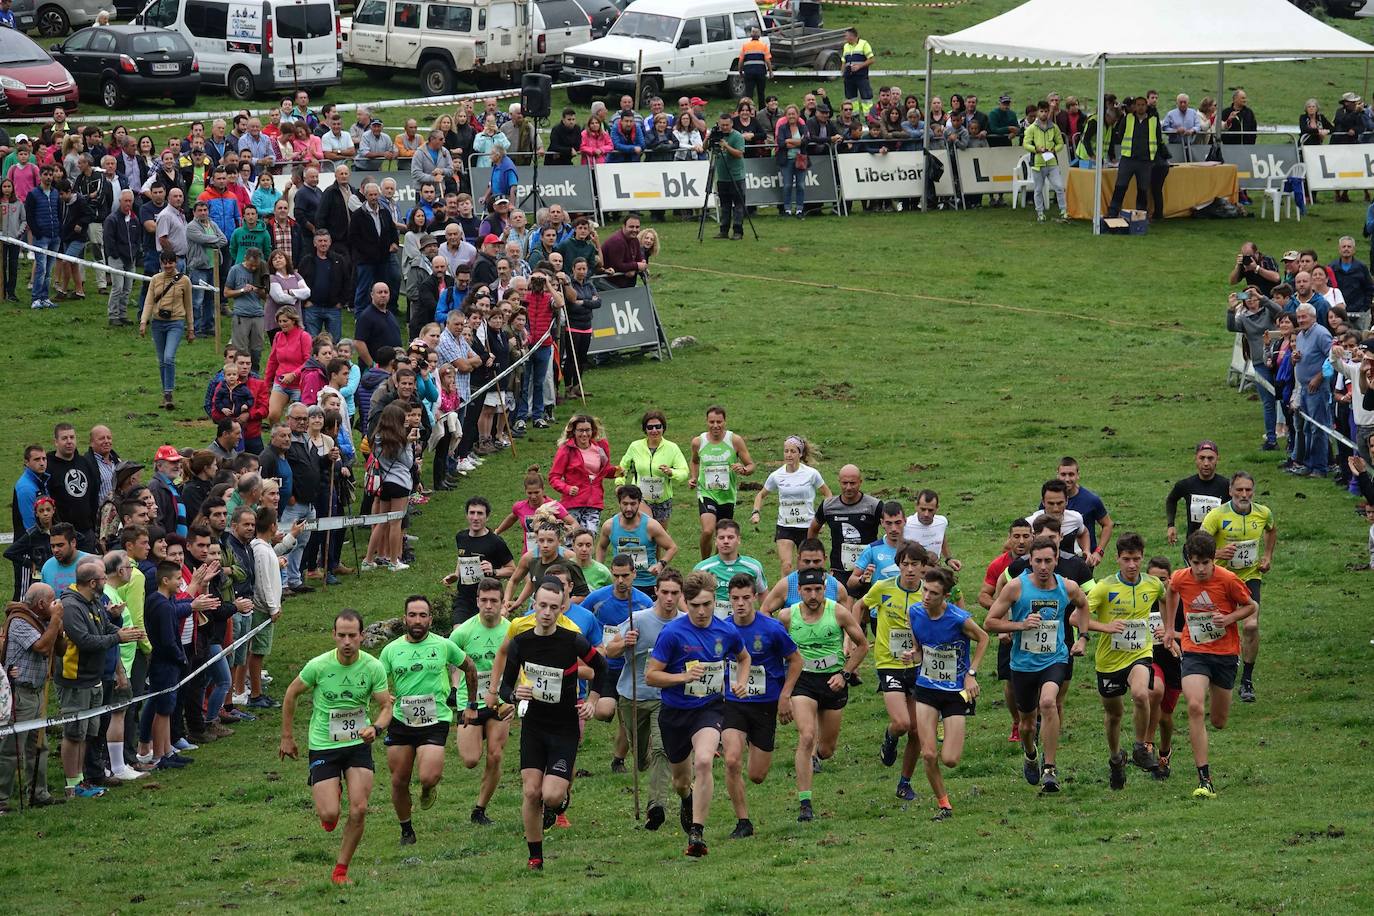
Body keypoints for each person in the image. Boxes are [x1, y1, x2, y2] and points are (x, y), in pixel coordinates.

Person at [490, 578, 605, 870]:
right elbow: (505, 688)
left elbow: (602, 668)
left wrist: (592, 700)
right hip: (534, 725)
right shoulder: (520, 642)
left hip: (565, 725)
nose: (546, 612)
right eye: (542, 605)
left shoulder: (572, 640)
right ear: (534, 605)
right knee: (531, 792)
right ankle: (535, 856)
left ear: (562, 608)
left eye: (554, 607)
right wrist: (515, 694)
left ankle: (560, 800)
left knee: (551, 795)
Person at [279, 609, 393, 885]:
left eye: (352, 636)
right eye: (341, 635)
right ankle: (333, 790)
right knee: (330, 814)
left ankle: (341, 870)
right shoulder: (318, 666)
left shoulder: (373, 666)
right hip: (324, 745)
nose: (347, 642)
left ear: (362, 636)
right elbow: (291, 693)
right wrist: (287, 736)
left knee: (359, 809)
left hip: (357, 745)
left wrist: (376, 728)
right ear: (333, 635)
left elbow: (386, 706)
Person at [646, 571, 750, 857]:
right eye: (695, 606)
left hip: (709, 708)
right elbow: (651, 676)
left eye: (707, 604)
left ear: (715, 600)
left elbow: (743, 657)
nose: (702, 611)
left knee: (704, 761)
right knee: (681, 781)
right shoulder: (672, 634)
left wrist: (739, 681)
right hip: (675, 713)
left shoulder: (726, 631)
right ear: (685, 602)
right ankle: (687, 798)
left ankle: (697, 833)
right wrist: (683, 677)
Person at [984, 536, 1089, 794]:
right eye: (1038, 561)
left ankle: (1050, 769)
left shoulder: (1068, 587)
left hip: (1055, 658)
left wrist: (1084, 638)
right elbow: (990, 622)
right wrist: (1019, 625)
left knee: (1048, 703)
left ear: (1056, 561)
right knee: (1028, 725)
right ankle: (1031, 753)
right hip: (1022, 663)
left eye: (1048, 561)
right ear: (1030, 561)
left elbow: (1084, 606)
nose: (1043, 566)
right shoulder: (1016, 588)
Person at [1162, 532, 1257, 799]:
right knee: (1194, 706)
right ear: (1189, 560)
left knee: (1218, 721)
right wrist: (1170, 628)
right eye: (1196, 563)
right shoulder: (1181, 577)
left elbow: (1250, 606)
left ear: (1214, 558)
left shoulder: (1227, 580)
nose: (1201, 569)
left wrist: (1228, 620)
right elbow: (1171, 592)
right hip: (1195, 651)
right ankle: (1205, 778)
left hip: (1225, 654)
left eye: (1205, 562)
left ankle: (1207, 771)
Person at [380, 595, 477, 845]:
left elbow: (470, 667)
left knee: (428, 776)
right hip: (402, 721)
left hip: (435, 719)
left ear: (431, 619)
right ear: (405, 618)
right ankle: (406, 830)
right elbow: (376, 681)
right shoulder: (391, 650)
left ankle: (426, 789)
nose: (417, 620)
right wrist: (383, 696)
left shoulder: (444, 645)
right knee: (399, 780)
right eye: (412, 615)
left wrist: (471, 704)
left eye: (423, 615)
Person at [778, 567, 868, 821]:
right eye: (807, 590)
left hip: (833, 682)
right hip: (802, 681)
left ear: (824, 589)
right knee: (806, 736)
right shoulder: (786, 616)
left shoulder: (838, 612)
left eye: (818, 589)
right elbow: (774, 648)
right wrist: (782, 692)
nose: (813, 595)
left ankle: (817, 754)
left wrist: (846, 674)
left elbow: (862, 646)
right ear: (799, 591)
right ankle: (805, 803)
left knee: (826, 749)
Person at [1078, 533, 1164, 790]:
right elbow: (1076, 617)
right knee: (1114, 715)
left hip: (1139, 653)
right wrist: (1105, 627)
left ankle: (1140, 747)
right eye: (1126, 559)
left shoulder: (1153, 584)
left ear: (1142, 558)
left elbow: (1168, 597)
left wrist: (1167, 629)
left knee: (1141, 694)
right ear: (1117, 559)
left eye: (1136, 559)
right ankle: (1116, 759)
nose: (1132, 565)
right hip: (1108, 661)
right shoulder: (1104, 587)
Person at [721, 572, 801, 838]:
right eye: (735, 599)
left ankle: (750, 741)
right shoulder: (722, 629)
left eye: (746, 598)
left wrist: (785, 696)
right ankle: (743, 822)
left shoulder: (772, 629)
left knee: (756, 775)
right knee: (732, 761)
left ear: (755, 597)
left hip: (765, 705)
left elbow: (796, 661)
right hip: (733, 703)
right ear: (729, 600)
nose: (741, 603)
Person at [906, 567, 988, 820]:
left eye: (934, 593)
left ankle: (948, 730)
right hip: (927, 688)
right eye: (925, 590)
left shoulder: (958, 618)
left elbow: (984, 638)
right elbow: (920, 648)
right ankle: (944, 805)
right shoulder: (915, 612)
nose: (927, 596)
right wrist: (914, 655)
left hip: (955, 693)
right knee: (928, 754)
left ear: (946, 596)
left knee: (950, 759)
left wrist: (971, 674)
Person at [58, 558, 144, 798]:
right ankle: (72, 784)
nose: (106, 581)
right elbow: (84, 641)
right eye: (103, 578)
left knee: (87, 732)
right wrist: (119, 638)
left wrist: (120, 628)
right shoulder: (72, 606)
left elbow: (105, 627)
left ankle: (82, 779)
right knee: (74, 732)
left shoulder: (93, 601)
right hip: (76, 678)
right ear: (93, 582)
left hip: (94, 677)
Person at [1198, 472, 1275, 705]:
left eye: (1248, 490)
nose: (1244, 495)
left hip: (1249, 577)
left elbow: (1271, 530)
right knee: (1217, 628)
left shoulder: (1263, 513)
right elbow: (1197, 546)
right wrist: (1217, 553)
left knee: (1250, 625)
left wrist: (1267, 556)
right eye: (1239, 490)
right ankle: (1212, 674)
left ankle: (1247, 681)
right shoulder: (1217, 515)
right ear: (1230, 491)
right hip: (1220, 579)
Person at [861, 542, 925, 799]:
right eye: (905, 564)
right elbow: (861, 606)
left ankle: (904, 783)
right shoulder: (883, 587)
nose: (909, 570)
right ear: (899, 565)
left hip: (919, 665)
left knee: (917, 730)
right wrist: (857, 636)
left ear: (923, 567)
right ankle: (890, 737)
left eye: (915, 564)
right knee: (901, 723)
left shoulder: (928, 593)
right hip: (889, 662)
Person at [448, 578, 514, 825]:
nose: (488, 605)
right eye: (484, 600)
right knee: (470, 760)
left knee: (495, 756)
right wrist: (454, 691)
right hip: (470, 703)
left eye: (493, 601)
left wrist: (513, 695)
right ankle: (478, 733)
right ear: (477, 601)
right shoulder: (462, 632)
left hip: (499, 702)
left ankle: (479, 809)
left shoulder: (511, 630)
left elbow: (520, 665)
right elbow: (450, 663)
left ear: (501, 603)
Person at [582, 554, 655, 771]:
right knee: (604, 712)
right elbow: (580, 620)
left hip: (632, 668)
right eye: (616, 576)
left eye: (625, 576)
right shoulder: (597, 598)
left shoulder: (644, 602)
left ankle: (618, 760)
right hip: (605, 667)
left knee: (627, 718)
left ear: (634, 574)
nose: (620, 581)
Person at [0, 584, 64, 811]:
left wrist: (57, 624)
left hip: (38, 691)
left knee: (39, 746)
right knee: (11, 748)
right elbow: (43, 646)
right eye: (52, 600)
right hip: (21, 694)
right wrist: (55, 620)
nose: (56, 604)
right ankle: (2, 799)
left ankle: (38, 793)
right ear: (41, 604)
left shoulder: (43, 619)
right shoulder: (19, 621)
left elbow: (60, 649)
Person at [752, 435, 830, 576]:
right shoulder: (777, 475)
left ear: (800, 453)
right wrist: (755, 512)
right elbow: (760, 495)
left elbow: (828, 494)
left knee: (807, 567)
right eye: (786, 451)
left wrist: (822, 519)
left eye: (793, 451)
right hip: (785, 526)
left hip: (807, 526)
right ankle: (786, 596)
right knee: (786, 565)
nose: (789, 455)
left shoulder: (811, 474)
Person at [689, 406, 755, 560]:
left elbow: (751, 465)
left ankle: (717, 564)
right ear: (707, 422)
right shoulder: (698, 442)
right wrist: (693, 477)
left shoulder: (734, 441)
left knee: (723, 534)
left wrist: (744, 469)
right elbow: (694, 461)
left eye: (719, 422)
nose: (715, 425)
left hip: (727, 495)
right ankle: (704, 564)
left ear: (725, 422)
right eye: (712, 422)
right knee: (708, 530)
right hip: (707, 492)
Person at [808, 463, 882, 590]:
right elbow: (813, 529)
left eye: (852, 483)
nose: (848, 487)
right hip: (839, 569)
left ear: (860, 482)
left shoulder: (874, 506)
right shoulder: (828, 506)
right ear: (839, 482)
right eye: (844, 483)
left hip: (868, 569)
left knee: (866, 607)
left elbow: (891, 527)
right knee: (842, 607)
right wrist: (814, 556)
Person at [596, 484, 677, 598]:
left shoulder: (651, 526)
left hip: (647, 583)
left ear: (639, 503)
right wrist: (600, 569)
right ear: (619, 503)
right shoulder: (609, 526)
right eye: (625, 504)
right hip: (620, 582)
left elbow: (672, 547)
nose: (629, 508)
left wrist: (660, 564)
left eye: (633, 504)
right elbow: (601, 547)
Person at [444, 496, 516, 625]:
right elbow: (462, 558)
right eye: (472, 513)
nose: (475, 517)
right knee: (458, 634)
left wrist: (494, 571)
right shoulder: (461, 537)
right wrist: (456, 575)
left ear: (487, 517)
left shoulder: (495, 542)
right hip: (464, 599)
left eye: (480, 513)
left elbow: (512, 570)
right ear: (467, 515)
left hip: (488, 600)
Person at [615, 410, 689, 524]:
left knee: (659, 536)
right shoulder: (635, 446)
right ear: (645, 429)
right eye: (650, 427)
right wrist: (619, 483)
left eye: (658, 426)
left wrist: (671, 472)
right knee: (646, 527)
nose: (654, 430)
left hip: (663, 500)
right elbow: (622, 467)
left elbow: (684, 472)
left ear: (663, 428)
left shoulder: (672, 448)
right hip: (640, 498)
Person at [1107, 95, 1168, 221]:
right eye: (1138, 105)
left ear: (1146, 106)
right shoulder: (1127, 118)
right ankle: (1112, 213)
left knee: (1143, 190)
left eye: (1143, 105)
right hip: (1128, 159)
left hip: (1145, 161)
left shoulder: (1153, 120)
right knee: (1120, 187)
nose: (1140, 107)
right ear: (1134, 106)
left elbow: (1158, 139)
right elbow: (1120, 134)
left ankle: (1140, 216)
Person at [549, 415, 616, 531]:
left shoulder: (600, 447)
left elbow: (604, 471)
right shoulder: (566, 449)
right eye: (580, 430)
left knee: (589, 539)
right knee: (571, 540)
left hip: (594, 502)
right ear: (573, 431)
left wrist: (618, 471)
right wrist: (567, 488)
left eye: (587, 430)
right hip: (573, 503)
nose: (584, 434)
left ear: (593, 430)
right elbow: (554, 477)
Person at [694, 520, 767, 619]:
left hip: (744, 622)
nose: (726, 541)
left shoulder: (753, 566)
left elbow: (762, 593)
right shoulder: (703, 568)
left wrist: (765, 617)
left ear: (739, 539)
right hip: (714, 624)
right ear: (716, 541)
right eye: (721, 538)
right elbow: (689, 595)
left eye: (730, 537)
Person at [1021, 101, 1068, 223]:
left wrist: (1054, 150)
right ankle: (1040, 213)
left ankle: (1064, 211)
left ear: (1049, 112)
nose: (1044, 114)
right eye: (1041, 111)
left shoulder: (1054, 127)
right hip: (1037, 163)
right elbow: (1025, 144)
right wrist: (1036, 149)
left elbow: (1060, 143)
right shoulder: (1031, 128)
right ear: (1037, 112)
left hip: (1052, 163)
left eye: (1046, 111)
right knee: (1038, 189)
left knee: (1059, 186)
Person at [902, 489, 961, 570]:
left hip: (934, 572)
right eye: (923, 509)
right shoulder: (905, 524)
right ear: (916, 506)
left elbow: (942, 537)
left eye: (930, 510)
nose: (926, 514)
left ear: (937, 508)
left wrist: (948, 559)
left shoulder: (942, 522)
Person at [709, 112, 746, 239]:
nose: (724, 127)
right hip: (722, 177)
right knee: (724, 205)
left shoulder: (737, 136)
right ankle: (723, 230)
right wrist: (708, 138)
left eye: (726, 125)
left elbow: (739, 153)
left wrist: (726, 146)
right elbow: (705, 148)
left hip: (736, 176)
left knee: (738, 205)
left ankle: (737, 231)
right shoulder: (717, 136)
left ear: (731, 124)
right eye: (722, 125)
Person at [774, 105, 811, 220]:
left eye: (793, 114)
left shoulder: (802, 126)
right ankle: (787, 210)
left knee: (800, 185)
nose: (791, 116)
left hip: (800, 160)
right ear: (786, 116)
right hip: (787, 160)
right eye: (789, 114)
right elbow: (780, 142)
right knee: (787, 185)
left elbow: (806, 141)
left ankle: (799, 209)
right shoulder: (782, 128)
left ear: (797, 115)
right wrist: (798, 142)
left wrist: (789, 141)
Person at [841, 28, 875, 114]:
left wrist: (860, 66)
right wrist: (843, 73)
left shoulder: (864, 44)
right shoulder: (846, 46)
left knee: (866, 98)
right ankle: (853, 118)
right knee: (851, 99)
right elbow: (844, 61)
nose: (845, 38)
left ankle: (869, 118)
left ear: (852, 36)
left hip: (861, 76)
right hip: (849, 78)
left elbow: (871, 59)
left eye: (846, 36)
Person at [738, 28, 772, 106]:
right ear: (759, 36)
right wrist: (770, 71)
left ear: (751, 35)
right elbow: (767, 60)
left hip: (749, 72)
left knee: (749, 93)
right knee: (761, 93)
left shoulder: (745, 46)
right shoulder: (763, 46)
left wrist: (740, 71)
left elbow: (741, 60)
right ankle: (762, 110)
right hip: (760, 72)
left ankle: (748, 110)